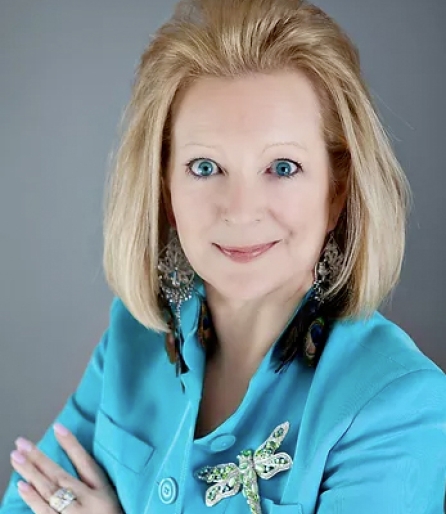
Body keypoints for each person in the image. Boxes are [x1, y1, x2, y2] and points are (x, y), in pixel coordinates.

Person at [1, 0, 445, 512]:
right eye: (205, 166)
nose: (240, 210)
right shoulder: (132, 339)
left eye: (282, 166)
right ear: (164, 187)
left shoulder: (396, 405)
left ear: (337, 191)